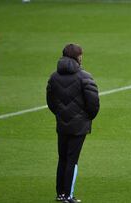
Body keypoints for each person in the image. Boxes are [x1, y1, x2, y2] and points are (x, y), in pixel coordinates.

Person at [47, 44, 99, 202]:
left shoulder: (54, 76)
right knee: (72, 160)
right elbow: (93, 103)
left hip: (62, 123)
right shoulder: (85, 76)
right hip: (79, 126)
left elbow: (50, 102)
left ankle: (60, 193)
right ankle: (69, 195)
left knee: (62, 158)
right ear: (79, 57)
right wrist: (87, 117)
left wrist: (60, 114)